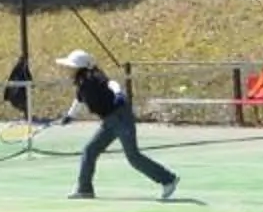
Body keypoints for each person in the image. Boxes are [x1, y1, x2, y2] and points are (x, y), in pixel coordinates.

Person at [56, 48, 179, 202]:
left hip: (120, 116)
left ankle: (168, 179)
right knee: (90, 150)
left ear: (79, 68)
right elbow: (79, 100)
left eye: (71, 66)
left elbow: (112, 83)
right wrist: (69, 116)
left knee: (133, 157)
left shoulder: (94, 78)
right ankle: (85, 189)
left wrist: (119, 94)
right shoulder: (82, 83)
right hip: (109, 121)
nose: (68, 69)